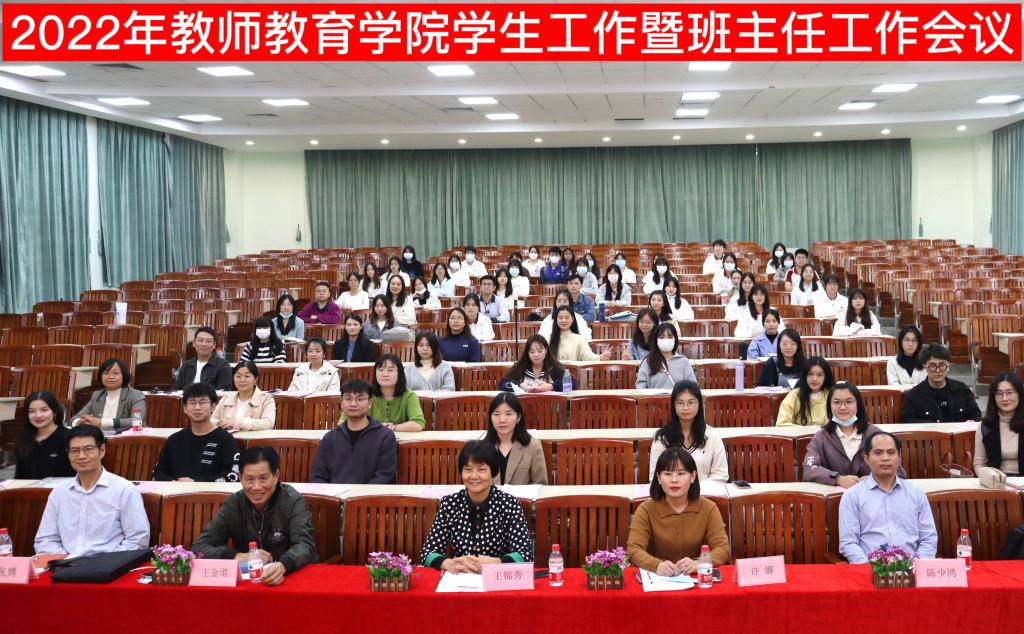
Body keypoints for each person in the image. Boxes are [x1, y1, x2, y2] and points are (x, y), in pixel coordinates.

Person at [192, 445, 318, 586]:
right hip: (249, 582)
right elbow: (199, 546)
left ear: (276, 476)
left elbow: (304, 545)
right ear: (240, 478)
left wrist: (283, 565)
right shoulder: (233, 504)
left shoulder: (292, 501)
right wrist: (237, 556)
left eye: (263, 478)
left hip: (289, 578)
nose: (256, 487)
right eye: (249, 479)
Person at [34, 425, 150, 557]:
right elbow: (45, 539)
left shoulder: (124, 490)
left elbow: (137, 540)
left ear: (102, 451)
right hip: (65, 564)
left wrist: (107, 563)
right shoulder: (59, 493)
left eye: (88, 449)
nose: (81, 456)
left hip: (109, 565)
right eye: (75, 451)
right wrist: (65, 560)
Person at [420, 441, 534, 571]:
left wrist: (497, 562)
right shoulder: (450, 504)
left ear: (493, 472)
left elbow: (525, 553)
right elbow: (427, 552)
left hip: (496, 576)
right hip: (460, 576)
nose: (474, 476)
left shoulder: (509, 504)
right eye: (468, 469)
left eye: (481, 470)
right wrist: (446, 563)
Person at [628, 447, 731, 575]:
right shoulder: (646, 509)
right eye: (667, 474)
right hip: (658, 579)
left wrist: (699, 563)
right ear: (658, 478)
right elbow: (634, 549)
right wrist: (656, 565)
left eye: (681, 474)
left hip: (697, 578)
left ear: (693, 476)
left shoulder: (709, 508)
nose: (674, 480)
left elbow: (722, 549)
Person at [838, 431, 938, 563]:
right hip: (872, 569)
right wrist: (869, 568)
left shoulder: (916, 493)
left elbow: (928, 538)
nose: (885, 458)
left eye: (891, 452)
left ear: (899, 458)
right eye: (878, 453)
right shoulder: (852, 496)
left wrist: (919, 566)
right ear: (866, 459)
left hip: (912, 568)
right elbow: (849, 543)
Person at [803, 383, 904, 487]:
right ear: (830, 405)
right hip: (836, 495)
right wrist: (837, 478)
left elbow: (899, 471)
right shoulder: (821, 437)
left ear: (858, 404)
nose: (842, 407)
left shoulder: (875, 434)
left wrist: (876, 478)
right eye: (836, 402)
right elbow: (809, 468)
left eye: (849, 402)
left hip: (873, 494)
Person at [310, 379, 398, 483]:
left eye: (359, 399)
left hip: (370, 493)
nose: (353, 404)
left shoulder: (385, 436)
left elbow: (385, 475)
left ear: (370, 403)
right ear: (341, 403)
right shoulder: (329, 438)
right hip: (334, 493)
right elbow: (317, 476)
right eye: (348, 399)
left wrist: (361, 493)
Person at [153, 383, 240, 482]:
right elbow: (157, 474)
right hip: (176, 490)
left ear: (213, 407)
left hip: (209, 492)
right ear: (185, 408)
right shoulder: (174, 439)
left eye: (202, 402)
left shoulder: (225, 440)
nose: (197, 407)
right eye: (192, 402)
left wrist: (195, 483)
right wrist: (174, 483)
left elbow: (233, 476)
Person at [649, 381, 728, 482]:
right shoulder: (662, 437)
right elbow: (655, 477)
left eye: (691, 402)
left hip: (704, 491)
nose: (685, 407)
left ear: (699, 404)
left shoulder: (712, 435)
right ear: (674, 405)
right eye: (680, 403)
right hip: (671, 491)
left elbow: (721, 475)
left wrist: (694, 489)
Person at [340, 355, 426, 431]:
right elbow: (342, 423)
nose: (385, 374)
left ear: (399, 373)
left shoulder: (409, 396)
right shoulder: (365, 394)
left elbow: (418, 424)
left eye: (390, 370)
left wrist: (392, 428)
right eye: (380, 370)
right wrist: (377, 428)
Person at [900, 344, 982, 422]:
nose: (938, 370)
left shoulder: (962, 390)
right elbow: (908, 422)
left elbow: (976, 417)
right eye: (932, 366)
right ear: (925, 367)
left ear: (948, 365)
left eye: (942, 365)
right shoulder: (913, 396)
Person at [484, 393, 548, 485]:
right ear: (490, 417)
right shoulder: (482, 447)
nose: (502, 420)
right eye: (496, 414)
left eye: (508, 414)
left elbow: (540, 483)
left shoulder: (533, 446)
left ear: (518, 417)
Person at [70, 358, 147, 432]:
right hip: (101, 437)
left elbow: (137, 421)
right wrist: (79, 422)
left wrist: (102, 422)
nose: (111, 377)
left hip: (127, 438)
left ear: (124, 376)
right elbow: (74, 419)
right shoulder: (97, 395)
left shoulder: (135, 395)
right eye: (106, 373)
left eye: (116, 373)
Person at [975, 372, 1024, 478]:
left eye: (1009, 392)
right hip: (997, 482)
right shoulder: (986, 426)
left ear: (1019, 394)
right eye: (999, 393)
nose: (1004, 398)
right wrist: (989, 478)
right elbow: (979, 464)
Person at [15, 391, 74, 479]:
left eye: (44, 410)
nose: (38, 415)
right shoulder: (23, 439)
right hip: (29, 487)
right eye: (32, 411)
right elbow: (19, 476)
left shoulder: (69, 437)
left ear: (55, 411)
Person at [212, 362, 277, 431]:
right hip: (226, 437)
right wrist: (220, 423)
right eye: (238, 376)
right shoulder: (226, 399)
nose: (242, 380)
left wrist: (237, 423)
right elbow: (211, 420)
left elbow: (268, 423)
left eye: (247, 376)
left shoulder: (266, 399)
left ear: (255, 379)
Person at [499, 334, 571, 393]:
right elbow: (502, 384)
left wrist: (551, 386)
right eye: (532, 352)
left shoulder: (553, 367)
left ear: (546, 350)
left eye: (540, 351)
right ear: (527, 352)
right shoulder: (521, 366)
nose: (536, 355)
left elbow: (572, 384)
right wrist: (519, 385)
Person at [777, 357, 835, 426]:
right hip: (799, 433)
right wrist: (807, 430)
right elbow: (781, 424)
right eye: (810, 374)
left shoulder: (833, 395)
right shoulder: (794, 395)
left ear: (825, 377)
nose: (815, 379)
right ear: (805, 375)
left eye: (819, 375)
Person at [636, 323, 697, 389]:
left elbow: (693, 387)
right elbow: (640, 386)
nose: (666, 340)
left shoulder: (684, 361)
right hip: (653, 396)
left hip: (677, 396)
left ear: (675, 339)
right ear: (656, 340)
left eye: (670, 337)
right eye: (661, 337)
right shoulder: (647, 362)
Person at [546, 306, 612, 362]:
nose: (564, 320)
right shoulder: (548, 338)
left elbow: (588, 356)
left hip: (573, 373)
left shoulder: (579, 339)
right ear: (556, 320)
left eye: (567, 318)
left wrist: (600, 358)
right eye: (560, 318)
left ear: (572, 319)